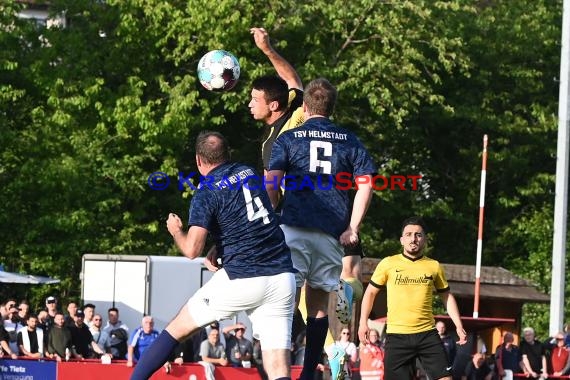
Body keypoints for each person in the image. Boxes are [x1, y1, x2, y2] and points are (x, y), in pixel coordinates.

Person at [129, 131, 296, 380]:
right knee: (278, 367)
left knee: (176, 328)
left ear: (199, 160)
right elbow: (255, 218)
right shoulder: (248, 171)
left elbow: (191, 249)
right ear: (228, 154)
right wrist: (220, 245)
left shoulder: (206, 191)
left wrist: (176, 231)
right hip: (282, 277)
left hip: (244, 276)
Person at [250, 27, 365, 323]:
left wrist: (266, 49)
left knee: (294, 291)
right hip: (335, 209)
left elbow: (270, 189)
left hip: (301, 215)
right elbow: (294, 81)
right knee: (344, 274)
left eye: (254, 99)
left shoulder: (285, 131)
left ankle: (297, 350)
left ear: (273, 105)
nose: (250, 104)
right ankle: (331, 343)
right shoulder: (283, 129)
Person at [266, 77, 375, 380]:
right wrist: (353, 227)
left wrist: (270, 213)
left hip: (294, 227)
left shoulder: (288, 139)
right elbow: (366, 184)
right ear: (332, 108)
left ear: (304, 106)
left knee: (286, 299)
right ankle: (308, 373)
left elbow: (272, 183)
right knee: (317, 306)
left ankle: (279, 368)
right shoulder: (349, 140)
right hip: (331, 233)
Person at [358, 216, 467, 380]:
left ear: (425, 240)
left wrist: (458, 325)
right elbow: (370, 293)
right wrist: (362, 323)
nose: (413, 238)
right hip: (397, 336)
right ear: (402, 240)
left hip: (427, 334)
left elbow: (446, 296)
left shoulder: (434, 266)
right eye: (408, 234)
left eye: (418, 234)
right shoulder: (388, 264)